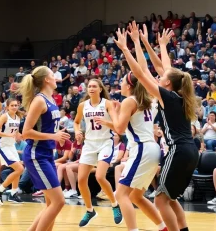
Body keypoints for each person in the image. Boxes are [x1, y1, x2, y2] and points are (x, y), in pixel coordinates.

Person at [114, 22, 199, 231]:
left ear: (167, 84)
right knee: (171, 198)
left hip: (178, 151)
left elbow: (142, 73)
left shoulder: (168, 97)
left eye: (161, 78)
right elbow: (166, 68)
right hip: (191, 151)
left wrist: (127, 48)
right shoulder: (181, 95)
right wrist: (156, 44)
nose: (159, 76)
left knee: (161, 200)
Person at [101, 70, 167, 231]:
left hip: (142, 149)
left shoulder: (129, 101)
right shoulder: (149, 101)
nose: (120, 84)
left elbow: (120, 129)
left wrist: (114, 114)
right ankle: (163, 228)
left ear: (129, 86)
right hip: (151, 148)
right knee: (135, 196)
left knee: (120, 195)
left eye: (122, 81)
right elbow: (126, 127)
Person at [18, 66, 70, 231]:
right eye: (52, 74)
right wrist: (53, 136)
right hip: (36, 154)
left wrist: (57, 133)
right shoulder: (39, 100)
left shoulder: (52, 99)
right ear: (47, 79)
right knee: (59, 202)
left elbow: (46, 128)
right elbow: (26, 132)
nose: (55, 76)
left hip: (47, 154)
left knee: (51, 205)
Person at [74, 79, 122, 227]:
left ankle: (115, 204)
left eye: (94, 86)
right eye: (89, 86)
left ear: (100, 89)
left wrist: (105, 122)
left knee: (99, 176)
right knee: (81, 180)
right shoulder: (83, 106)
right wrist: (77, 132)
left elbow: (117, 126)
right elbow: (76, 122)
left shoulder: (107, 104)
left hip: (105, 143)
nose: (91, 88)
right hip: (89, 144)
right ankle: (90, 210)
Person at [0, 98, 24, 205]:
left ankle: (13, 194)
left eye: (16, 105)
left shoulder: (18, 117)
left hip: (11, 145)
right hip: (2, 145)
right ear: (7, 107)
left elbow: (16, 132)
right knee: (20, 169)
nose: (14, 107)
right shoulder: (4, 116)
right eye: (12, 105)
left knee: (18, 169)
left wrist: (22, 136)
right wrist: (8, 135)